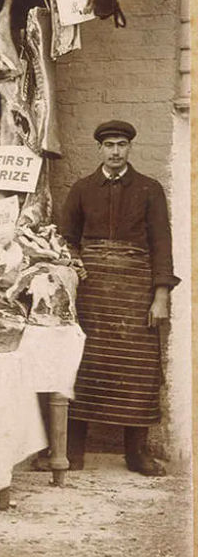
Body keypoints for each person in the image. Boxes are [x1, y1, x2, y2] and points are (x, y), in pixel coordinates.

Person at [58, 119, 178, 476]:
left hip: (134, 292)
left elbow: (162, 244)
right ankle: (73, 451)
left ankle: (136, 454)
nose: (115, 151)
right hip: (90, 292)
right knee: (84, 366)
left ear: (129, 148)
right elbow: (66, 239)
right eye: (109, 145)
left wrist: (160, 296)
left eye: (121, 145)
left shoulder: (149, 189)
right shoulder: (81, 189)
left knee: (138, 371)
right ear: (99, 149)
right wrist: (74, 265)